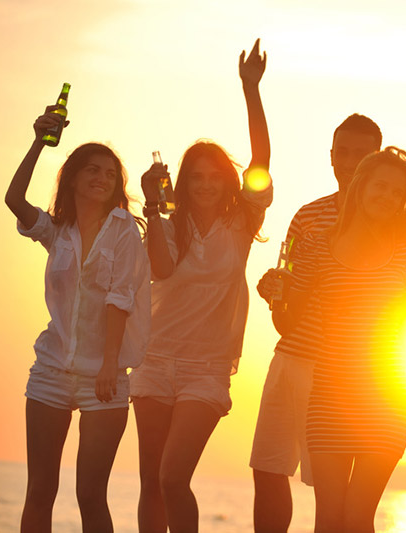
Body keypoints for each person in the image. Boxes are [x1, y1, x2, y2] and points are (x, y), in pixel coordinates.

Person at [129, 40, 272, 533]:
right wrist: (152, 203)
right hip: (154, 358)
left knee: (173, 477)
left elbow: (261, 160)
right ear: (183, 183)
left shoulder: (242, 225)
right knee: (151, 481)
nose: (206, 185)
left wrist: (250, 89)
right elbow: (163, 272)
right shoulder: (167, 224)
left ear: (228, 181)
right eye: (196, 178)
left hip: (206, 370)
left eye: (215, 177)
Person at [274, 147, 406, 533]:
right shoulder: (319, 244)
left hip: (386, 399)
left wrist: (390, 328)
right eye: (380, 187)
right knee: (329, 521)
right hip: (329, 397)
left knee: (356, 519)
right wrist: (273, 295)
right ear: (360, 186)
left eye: (396, 192)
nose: (387, 197)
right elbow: (289, 322)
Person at [6, 110, 150, 533]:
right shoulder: (57, 231)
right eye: (92, 169)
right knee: (40, 490)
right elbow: (14, 200)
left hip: (103, 375)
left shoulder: (125, 230)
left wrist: (109, 364)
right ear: (71, 178)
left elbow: (119, 299)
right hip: (50, 369)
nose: (102, 177)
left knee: (90, 494)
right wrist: (38, 142)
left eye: (110, 173)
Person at [249, 113, 384, 533]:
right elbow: (285, 308)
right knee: (268, 470)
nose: (349, 161)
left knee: (334, 494)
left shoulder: (390, 222)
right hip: (289, 358)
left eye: (361, 153)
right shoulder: (307, 216)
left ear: (376, 159)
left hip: (340, 372)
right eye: (342, 151)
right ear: (330, 156)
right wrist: (274, 293)